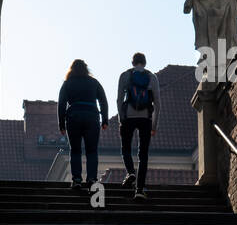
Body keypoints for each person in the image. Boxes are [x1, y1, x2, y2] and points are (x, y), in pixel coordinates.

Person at [57, 59, 108, 188]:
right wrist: (105, 119)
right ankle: (91, 179)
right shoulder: (94, 82)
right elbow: (103, 100)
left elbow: (61, 104)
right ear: (86, 69)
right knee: (91, 150)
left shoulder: (67, 84)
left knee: (75, 150)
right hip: (92, 117)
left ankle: (77, 180)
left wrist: (61, 124)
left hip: (74, 117)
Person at [117, 53, 160, 200]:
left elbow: (119, 99)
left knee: (126, 148)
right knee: (143, 155)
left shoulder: (125, 75)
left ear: (133, 62)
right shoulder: (152, 77)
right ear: (145, 63)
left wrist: (121, 118)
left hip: (129, 116)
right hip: (145, 118)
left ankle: (131, 172)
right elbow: (157, 103)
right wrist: (154, 125)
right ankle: (139, 190)